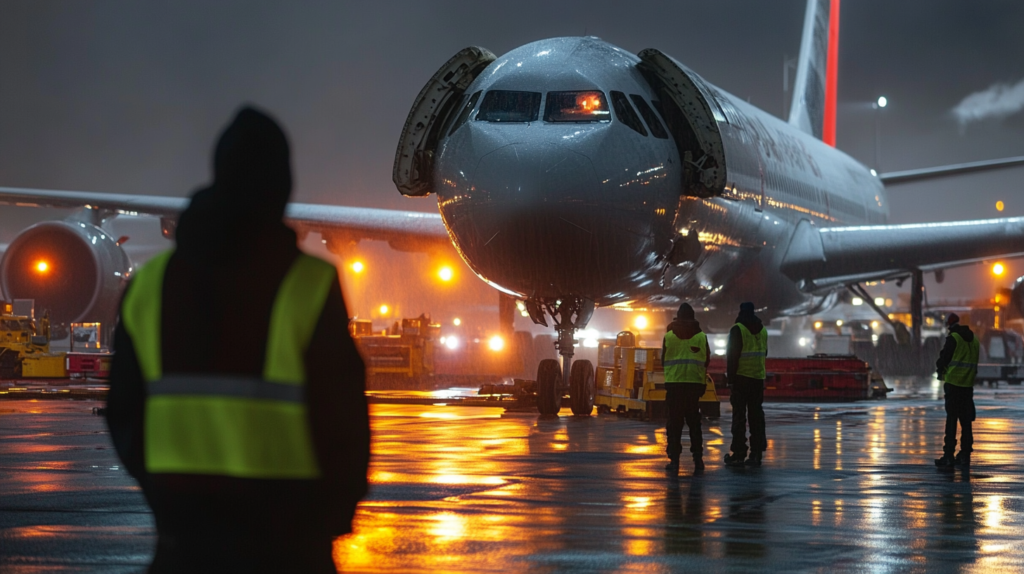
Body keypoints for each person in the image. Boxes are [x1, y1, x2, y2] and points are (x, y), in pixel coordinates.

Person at [106, 107, 370, 573]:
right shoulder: (310, 283)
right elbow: (344, 418)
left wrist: (162, 496)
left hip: (182, 542)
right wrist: (328, 520)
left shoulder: (150, 284)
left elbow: (123, 408)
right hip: (290, 545)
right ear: (281, 184)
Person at [661, 303, 710, 474]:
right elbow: (706, 360)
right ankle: (698, 459)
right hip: (693, 386)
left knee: (674, 424)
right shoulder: (701, 337)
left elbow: (663, 360)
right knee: (694, 424)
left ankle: (674, 460)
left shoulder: (669, 336)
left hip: (675, 386)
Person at [724, 302, 767, 468]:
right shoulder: (762, 330)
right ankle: (756, 453)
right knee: (756, 417)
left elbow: (732, 357)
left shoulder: (738, 329)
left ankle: (739, 453)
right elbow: (765, 352)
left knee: (739, 418)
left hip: (741, 379)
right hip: (757, 379)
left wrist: (731, 380)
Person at [934, 313, 979, 471]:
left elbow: (944, 358)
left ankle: (948, 456)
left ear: (949, 325)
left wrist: (939, 368)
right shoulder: (974, 340)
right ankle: (965, 455)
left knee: (952, 420)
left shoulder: (953, 338)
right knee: (966, 421)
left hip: (953, 384)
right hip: (967, 385)